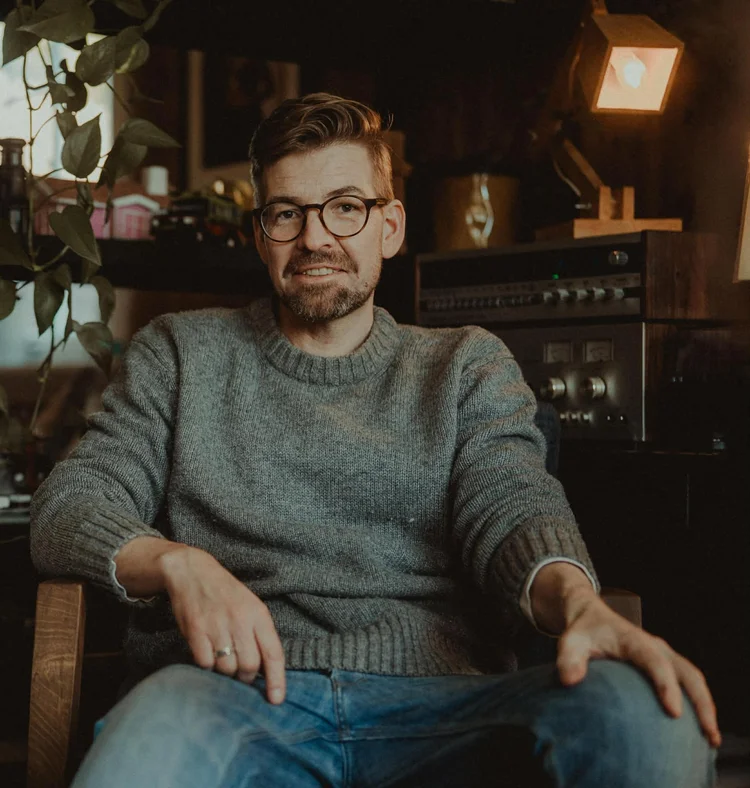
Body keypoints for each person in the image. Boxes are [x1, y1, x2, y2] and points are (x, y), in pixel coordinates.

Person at [30, 93, 719, 788]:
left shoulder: (465, 363)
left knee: (650, 715)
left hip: (446, 705)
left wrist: (578, 603)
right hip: (227, 697)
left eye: (345, 207)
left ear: (390, 226)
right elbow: (71, 503)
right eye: (286, 213)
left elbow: (512, 506)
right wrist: (180, 564)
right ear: (260, 234)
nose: (314, 238)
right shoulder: (179, 354)